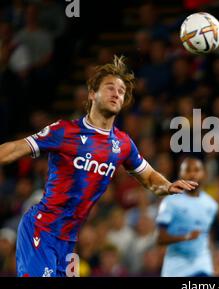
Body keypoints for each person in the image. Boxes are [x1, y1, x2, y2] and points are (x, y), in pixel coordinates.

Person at [0, 56, 197, 277]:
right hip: (41, 230)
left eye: (121, 91)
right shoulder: (64, 131)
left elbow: (149, 178)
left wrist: (169, 186)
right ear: (92, 93)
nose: (116, 93)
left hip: (68, 241)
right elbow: (16, 149)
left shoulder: (122, 144)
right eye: (110, 87)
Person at [156, 157, 218, 277]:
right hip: (175, 267)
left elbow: (207, 235)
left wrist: (213, 261)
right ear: (181, 174)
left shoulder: (211, 204)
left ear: (204, 174)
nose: (193, 174)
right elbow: (160, 238)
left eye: (197, 170)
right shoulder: (170, 202)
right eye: (188, 170)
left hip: (201, 265)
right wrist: (185, 237)